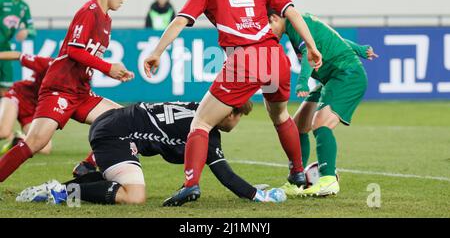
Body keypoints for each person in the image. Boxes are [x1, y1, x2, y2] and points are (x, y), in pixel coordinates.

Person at [143, 0, 322, 207]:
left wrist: (156, 52)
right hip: (275, 57)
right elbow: (292, 12)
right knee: (280, 116)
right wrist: (310, 46)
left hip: (245, 58)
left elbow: (179, 21)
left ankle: (190, 184)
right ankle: (298, 172)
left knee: (200, 122)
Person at [0, 0, 134, 183]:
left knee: (123, 120)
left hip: (80, 92)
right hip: (59, 88)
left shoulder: (106, 20)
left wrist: (114, 71)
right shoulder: (88, 11)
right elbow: (74, 50)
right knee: (35, 143)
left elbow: (88, 57)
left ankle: (86, 166)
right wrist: (107, 67)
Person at [16, 101, 286, 205]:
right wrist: (259, 195)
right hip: (116, 133)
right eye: (237, 117)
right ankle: (58, 193)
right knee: (135, 196)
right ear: (230, 113)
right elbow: (224, 174)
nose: (235, 124)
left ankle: (58, 188)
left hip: (114, 125)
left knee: (123, 185)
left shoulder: (201, 108)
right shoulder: (207, 131)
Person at [268, 11, 376, 197]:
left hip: (346, 75)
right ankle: (297, 180)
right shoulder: (300, 23)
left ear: (275, 18)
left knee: (320, 123)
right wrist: (358, 49)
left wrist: (302, 81)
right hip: (330, 78)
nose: (266, 33)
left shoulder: (296, 25)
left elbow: (309, 52)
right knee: (298, 125)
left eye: (266, 27)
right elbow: (333, 40)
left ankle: (328, 180)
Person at [0, 51, 53, 155]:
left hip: (33, 109)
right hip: (18, 95)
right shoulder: (49, 64)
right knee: (3, 132)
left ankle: (18, 139)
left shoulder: (75, 78)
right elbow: (18, 55)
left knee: (44, 149)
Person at [0, 0, 36, 96]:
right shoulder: (1, 1)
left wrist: (27, 31)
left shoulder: (23, 7)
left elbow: (33, 30)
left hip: (6, 51)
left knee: (5, 90)